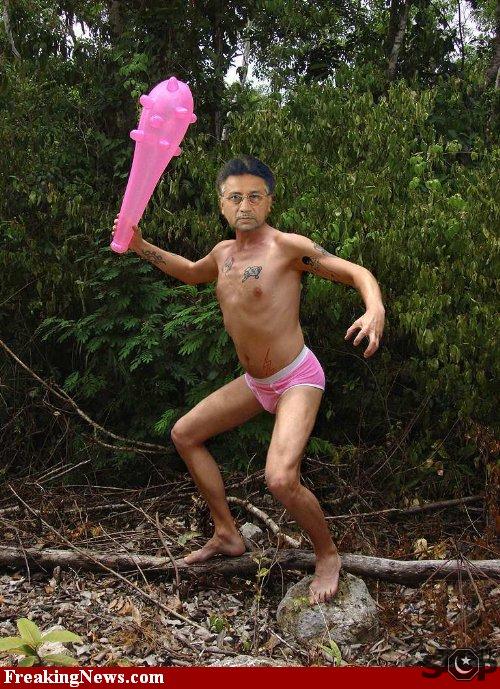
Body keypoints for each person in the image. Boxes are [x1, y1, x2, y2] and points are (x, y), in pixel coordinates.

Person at [112, 155, 385, 604]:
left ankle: (327, 555)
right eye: (235, 197)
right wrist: (141, 246)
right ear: (222, 203)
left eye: (255, 197)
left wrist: (374, 307)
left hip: (297, 377)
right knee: (185, 434)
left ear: (269, 202)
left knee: (280, 478)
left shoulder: (287, 248)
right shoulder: (223, 255)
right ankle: (227, 533)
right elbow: (190, 272)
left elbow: (356, 272)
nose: (245, 205)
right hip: (257, 382)